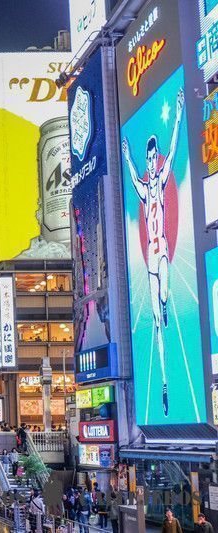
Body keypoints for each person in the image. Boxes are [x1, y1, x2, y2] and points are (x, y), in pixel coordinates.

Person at [121, 88, 184, 416]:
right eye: (148, 159)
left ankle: (165, 301)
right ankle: (164, 382)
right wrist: (127, 156)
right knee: (157, 322)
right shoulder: (146, 190)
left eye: (152, 157)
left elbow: (173, 149)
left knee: (165, 294)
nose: (151, 162)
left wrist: (178, 115)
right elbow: (132, 176)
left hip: (162, 252)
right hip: (150, 255)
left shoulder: (161, 178)